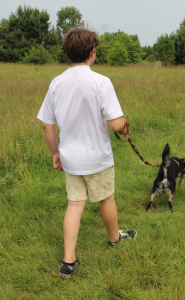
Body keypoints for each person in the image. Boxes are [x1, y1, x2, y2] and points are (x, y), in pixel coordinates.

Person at [37, 28, 137, 279]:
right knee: (106, 199)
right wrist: (125, 125)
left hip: (71, 158)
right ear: (93, 52)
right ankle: (114, 239)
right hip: (97, 157)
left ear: (68, 53)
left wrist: (55, 153)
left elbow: (47, 125)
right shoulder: (101, 81)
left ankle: (68, 261)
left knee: (74, 205)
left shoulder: (56, 83)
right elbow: (115, 125)